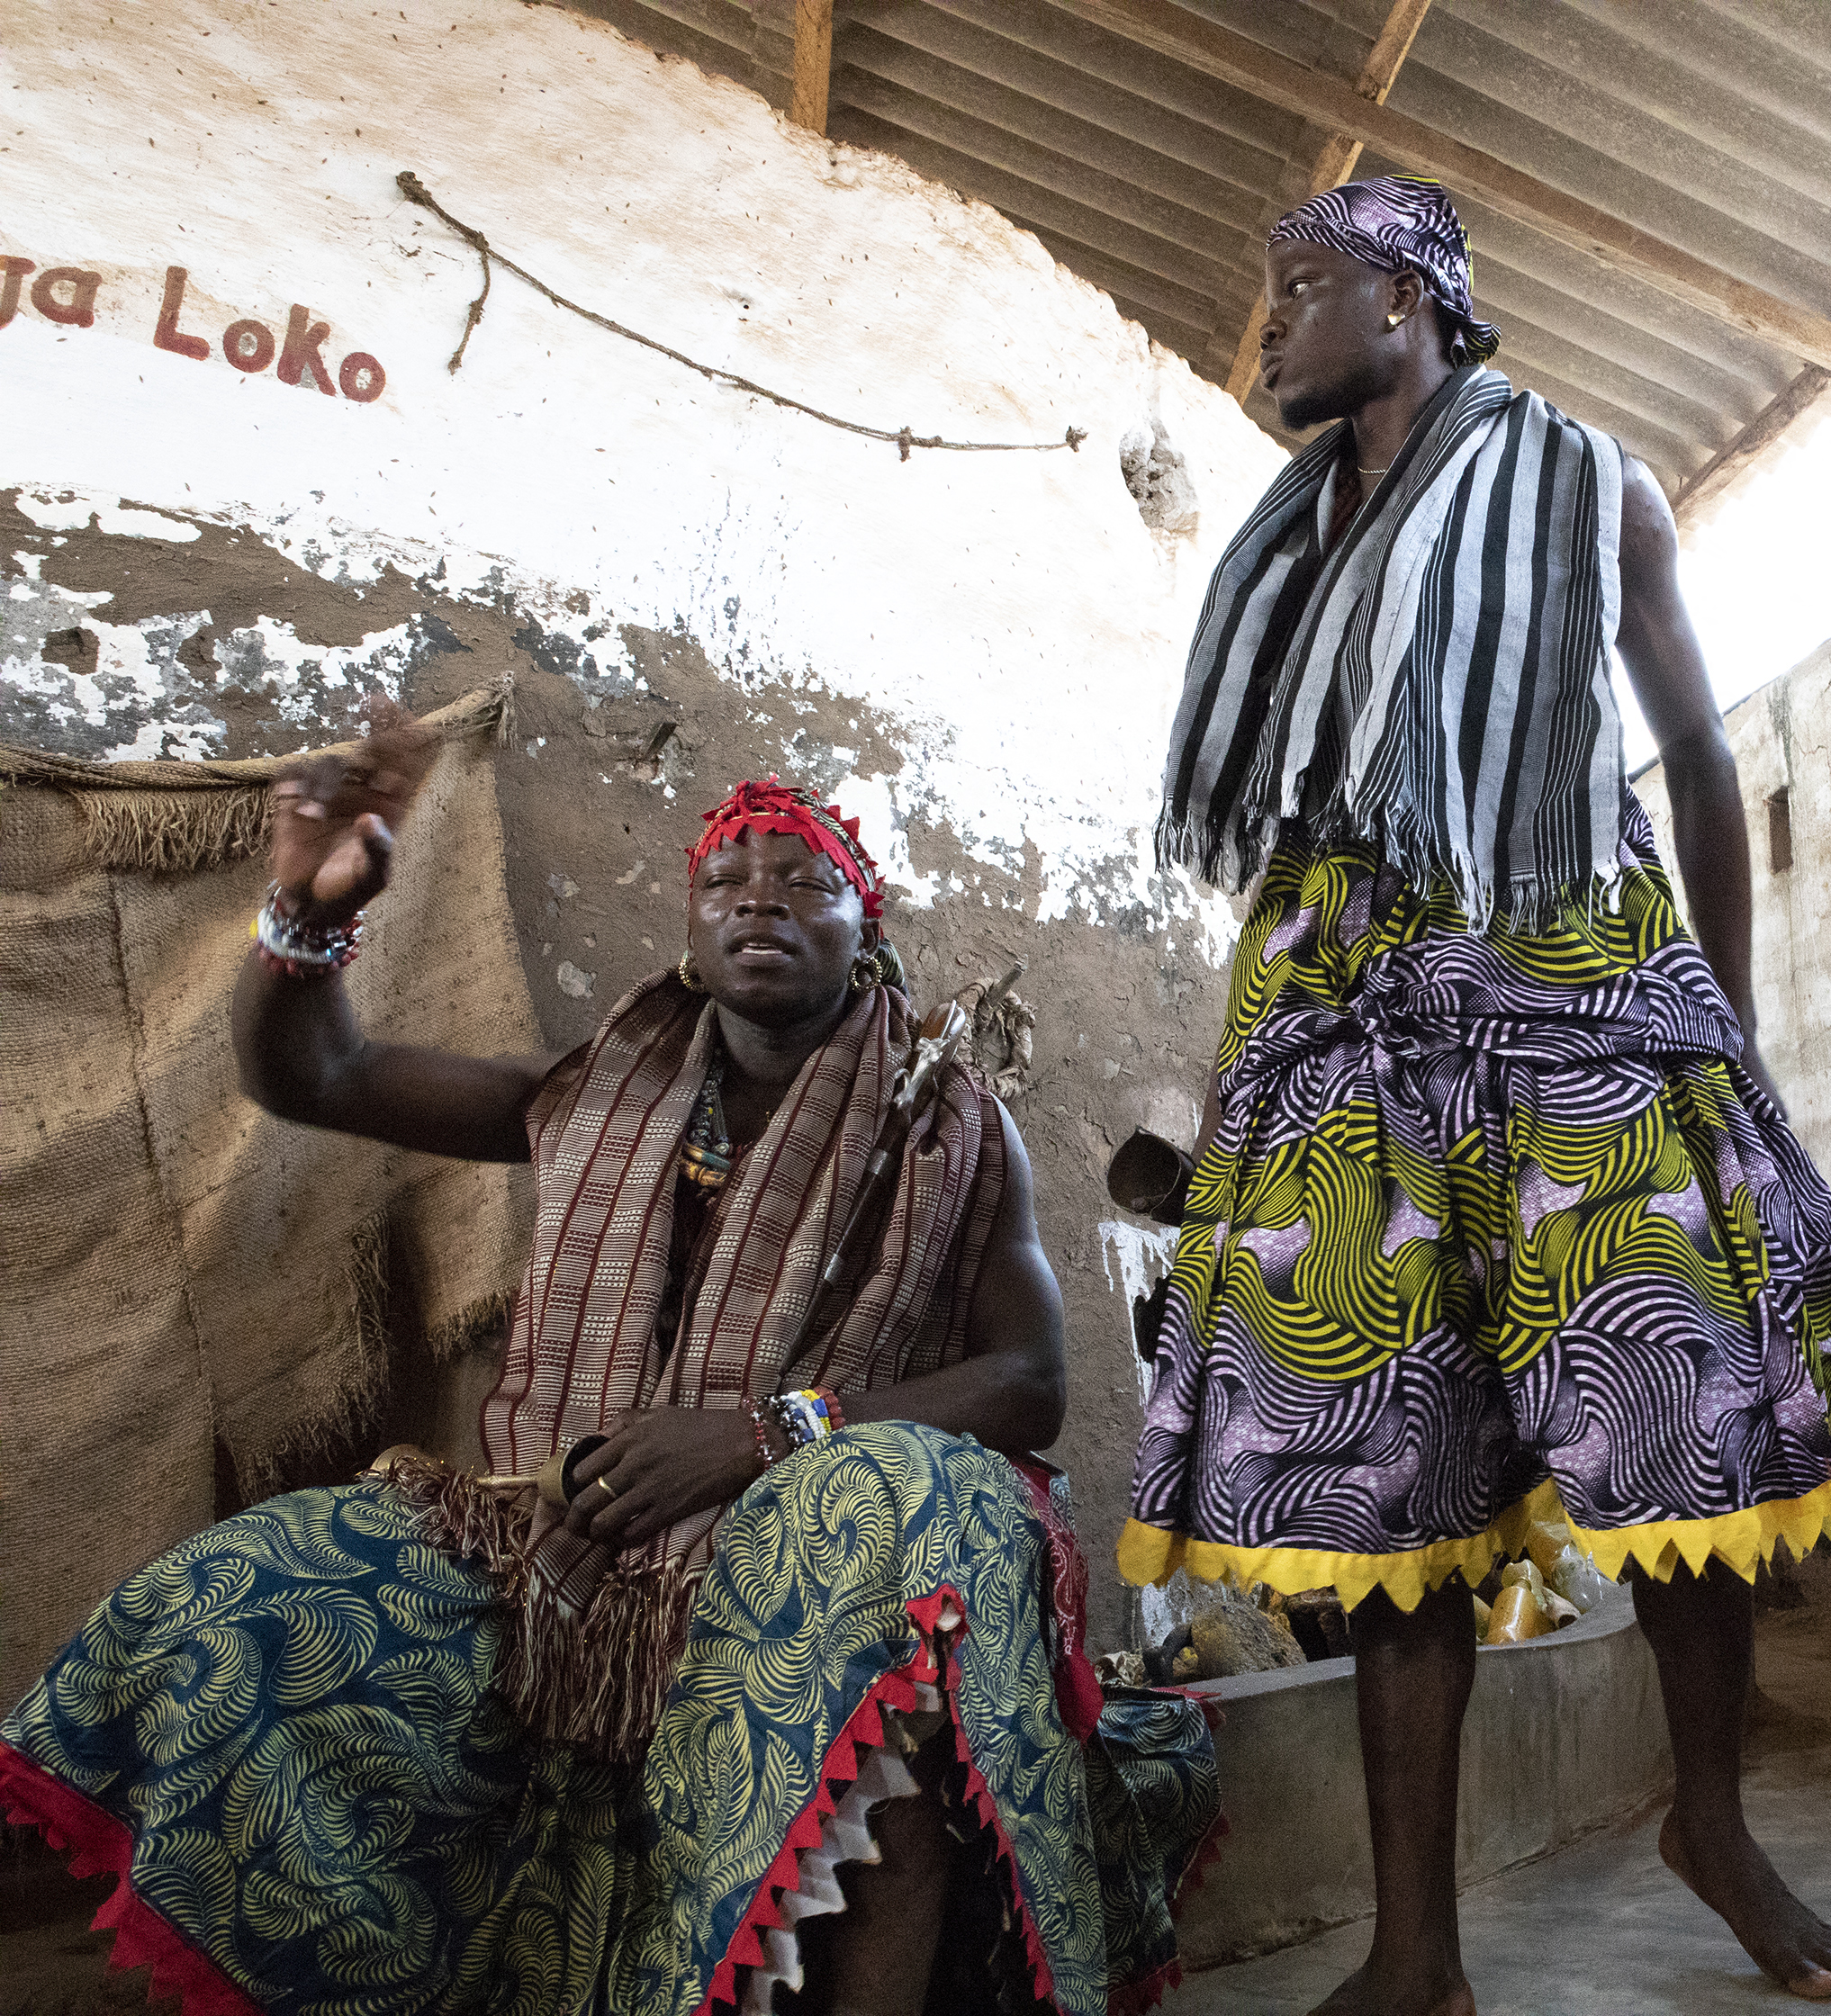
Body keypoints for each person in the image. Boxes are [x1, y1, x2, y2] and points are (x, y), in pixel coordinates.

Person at [0, 710, 1218, 2016]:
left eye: (806, 881)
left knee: (916, 1504)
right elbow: (321, 1076)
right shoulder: (591, 1098)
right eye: (724, 883)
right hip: (561, 1543)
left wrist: (763, 1438)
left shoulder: (955, 1134)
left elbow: (1029, 1382)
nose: (760, 901)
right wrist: (302, 914)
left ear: (868, 930)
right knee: (248, 1599)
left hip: (813, 1545)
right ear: (690, 938)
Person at [1122, 176, 1831, 2012]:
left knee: (1682, 1420)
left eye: (1301, 288)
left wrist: (1723, 1014)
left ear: (1408, 300)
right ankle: (1419, 1950)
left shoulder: (1589, 482)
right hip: (1340, 1017)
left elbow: (1702, 755)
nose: (1270, 329)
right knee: (1384, 1468)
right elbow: (1306, 805)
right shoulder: (1299, 534)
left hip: (1572, 982)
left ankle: (1709, 1816)